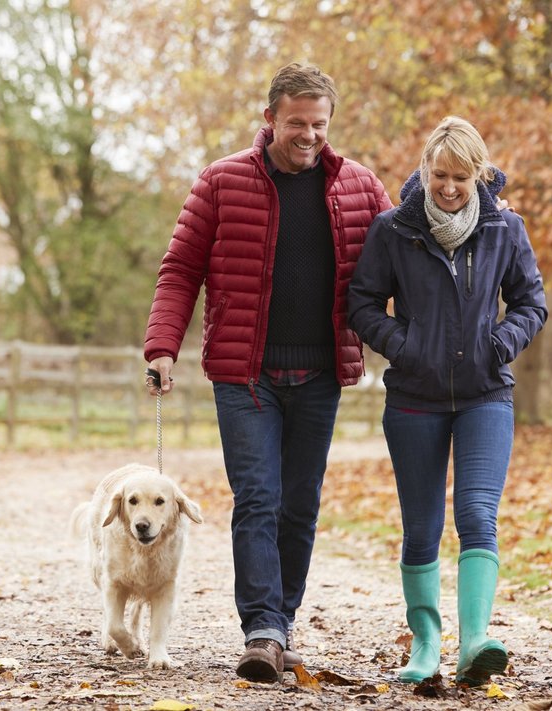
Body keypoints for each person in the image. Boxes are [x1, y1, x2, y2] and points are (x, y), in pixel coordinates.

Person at [143, 62, 392, 683]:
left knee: (300, 504)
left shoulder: (359, 188)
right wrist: (162, 347)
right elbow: (180, 270)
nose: (309, 135)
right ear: (270, 118)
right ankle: (262, 628)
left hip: (320, 376)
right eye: (297, 123)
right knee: (258, 498)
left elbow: (403, 257)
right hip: (244, 376)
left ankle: (280, 624)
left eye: (320, 125)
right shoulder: (222, 182)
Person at [347, 116, 547, 685]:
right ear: (425, 171)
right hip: (414, 398)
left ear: (479, 175)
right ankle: (427, 643)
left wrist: (499, 344)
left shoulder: (505, 229)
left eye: (461, 176)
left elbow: (532, 303)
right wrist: (403, 347)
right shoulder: (394, 230)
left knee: (478, 515)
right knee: (421, 526)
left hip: (486, 394)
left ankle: (476, 639)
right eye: (440, 175)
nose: (450, 187)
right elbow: (361, 305)